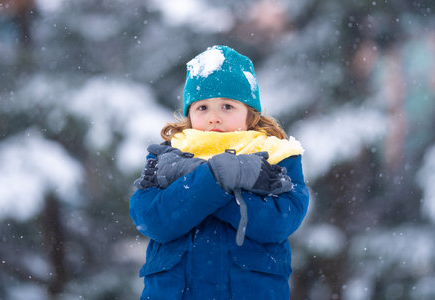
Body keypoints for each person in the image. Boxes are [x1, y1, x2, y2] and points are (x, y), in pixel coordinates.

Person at [129, 45, 309, 300]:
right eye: (202, 108)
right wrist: (216, 178)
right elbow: (152, 220)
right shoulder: (165, 157)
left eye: (227, 106)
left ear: (250, 113)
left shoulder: (277, 156)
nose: (214, 118)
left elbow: (279, 222)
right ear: (189, 114)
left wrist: (201, 187)